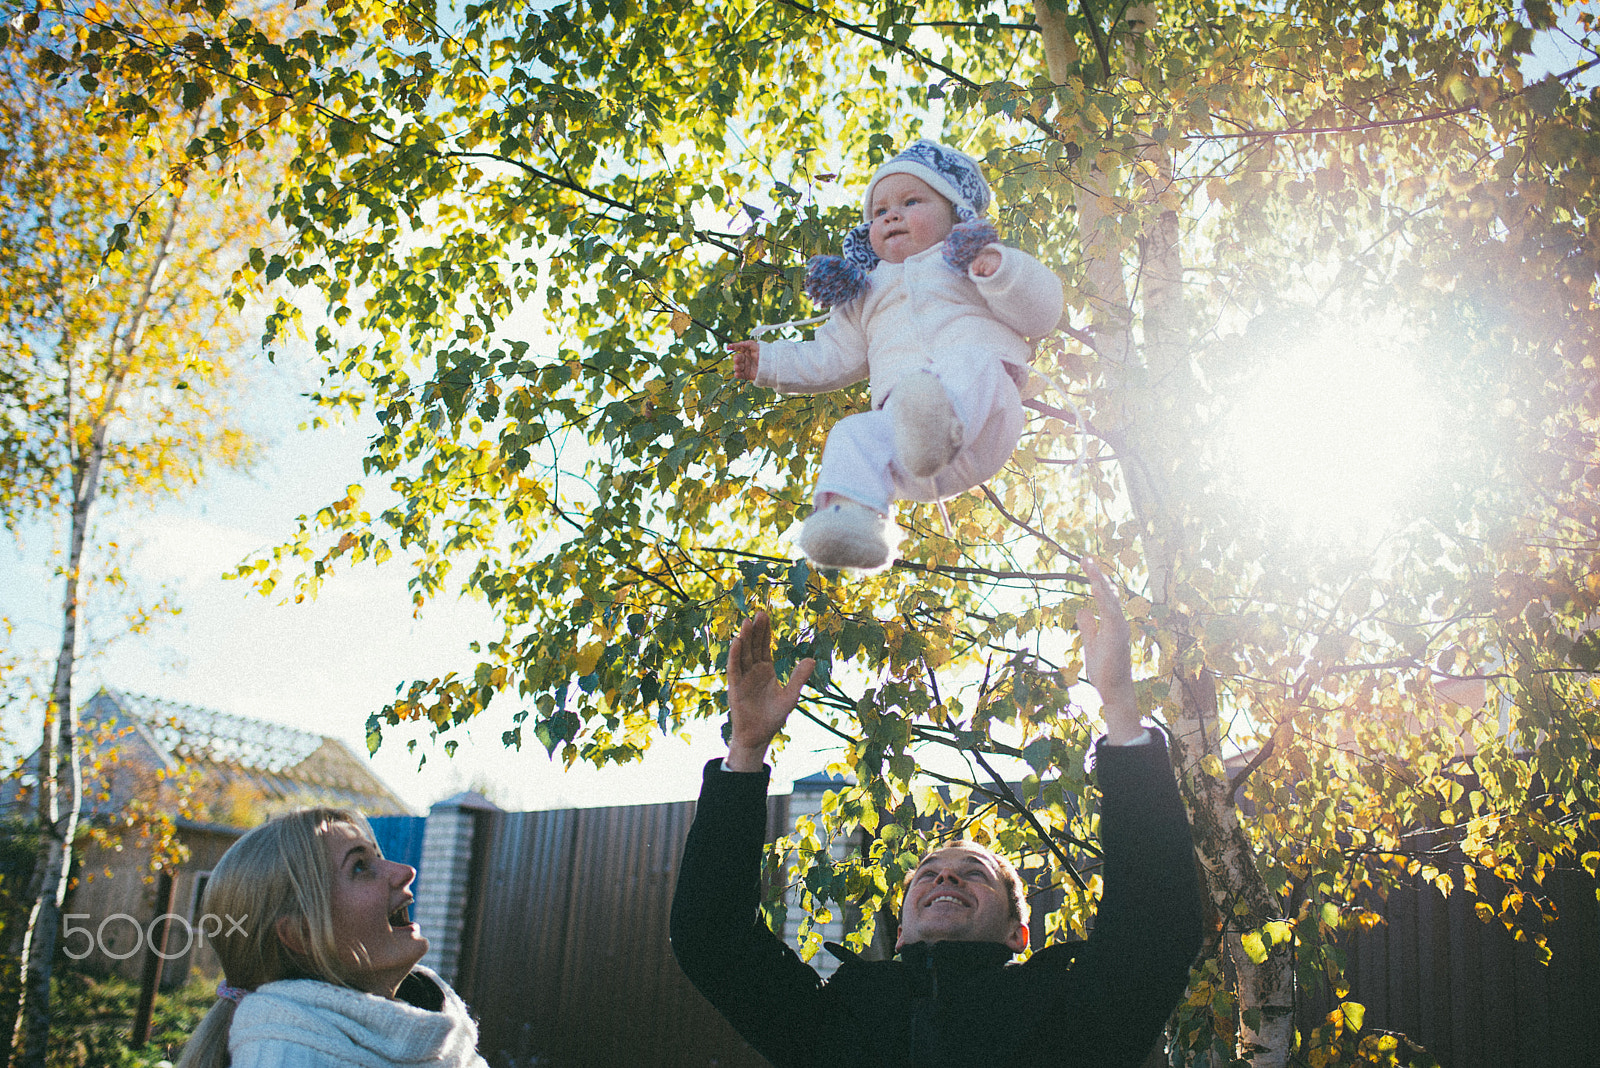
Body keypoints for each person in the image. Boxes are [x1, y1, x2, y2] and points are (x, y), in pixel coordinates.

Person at [670, 560, 1204, 1067]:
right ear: (898, 935)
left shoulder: (1067, 1011)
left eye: (975, 873)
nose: (944, 874)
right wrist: (743, 754)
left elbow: (1154, 926)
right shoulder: (834, 1018)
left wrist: (1120, 706)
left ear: (1020, 934)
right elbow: (712, 938)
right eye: (926, 874)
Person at [728, 138, 1064, 572]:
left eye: (910, 201)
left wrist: (999, 271)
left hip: (985, 419)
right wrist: (770, 362)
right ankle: (853, 523)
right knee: (850, 434)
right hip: (909, 445)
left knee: (974, 360)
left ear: (954, 212)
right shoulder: (865, 292)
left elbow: (1043, 311)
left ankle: (940, 418)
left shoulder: (969, 262)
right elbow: (831, 356)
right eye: (879, 211)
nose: (891, 215)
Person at [175, 807, 488, 1068]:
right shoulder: (283, 1060)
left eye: (377, 856)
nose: (405, 871)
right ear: (302, 935)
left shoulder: (442, 1035)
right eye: (360, 867)